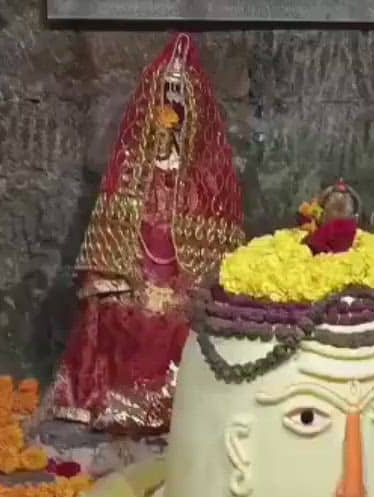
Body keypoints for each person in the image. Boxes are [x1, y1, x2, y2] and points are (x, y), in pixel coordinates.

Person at [50, 33, 244, 434]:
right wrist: (128, 281)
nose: (171, 104)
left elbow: (214, 252)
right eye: (165, 93)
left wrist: (184, 288)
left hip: (182, 282)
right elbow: (113, 236)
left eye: (179, 94)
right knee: (121, 312)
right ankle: (111, 404)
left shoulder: (207, 177)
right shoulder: (131, 165)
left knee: (177, 320)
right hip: (135, 276)